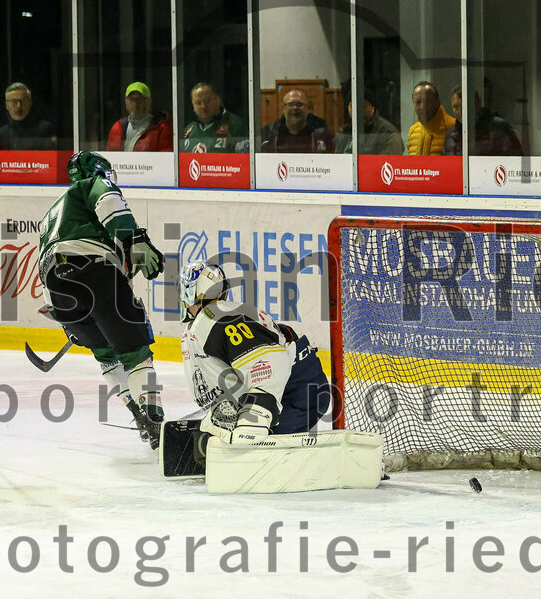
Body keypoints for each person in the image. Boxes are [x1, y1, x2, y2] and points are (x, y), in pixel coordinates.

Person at [37, 151, 165, 448]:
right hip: (93, 269)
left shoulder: (50, 215)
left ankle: (137, 413)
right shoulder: (90, 185)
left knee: (106, 353)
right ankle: (156, 423)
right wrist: (137, 239)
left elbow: (46, 264)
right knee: (135, 351)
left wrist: (66, 320)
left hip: (58, 289)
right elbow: (109, 203)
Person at [178, 261, 330, 445]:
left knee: (263, 457)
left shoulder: (214, 318)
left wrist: (258, 410)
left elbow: (269, 360)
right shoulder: (205, 324)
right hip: (292, 388)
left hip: (294, 390)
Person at [443, 85, 523, 156]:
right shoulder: (451, 134)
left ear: (477, 104)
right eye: (456, 107)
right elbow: (448, 167)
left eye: (465, 105)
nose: (460, 112)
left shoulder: (500, 127)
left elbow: (516, 163)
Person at [260, 88, 335, 153]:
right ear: (283, 108)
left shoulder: (323, 136)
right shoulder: (268, 135)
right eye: (291, 104)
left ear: (308, 108)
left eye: (299, 104)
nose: (295, 108)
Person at [181, 83, 248, 153]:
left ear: (218, 100)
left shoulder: (236, 125)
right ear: (193, 106)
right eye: (198, 103)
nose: (203, 106)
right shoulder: (189, 129)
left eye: (207, 101)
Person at [107, 82, 174, 152]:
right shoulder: (117, 128)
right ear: (126, 101)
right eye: (131, 99)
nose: (135, 104)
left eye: (139, 99)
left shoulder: (162, 128)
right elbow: (110, 157)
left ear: (149, 102)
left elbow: (166, 157)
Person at [0, 82, 56, 150]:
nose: (19, 106)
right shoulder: (1, 133)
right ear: (6, 105)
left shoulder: (44, 129)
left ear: (30, 103)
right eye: (14, 101)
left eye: (23, 101)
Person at [335, 95, 403, 155]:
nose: (357, 110)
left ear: (372, 107)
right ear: (348, 108)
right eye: (352, 106)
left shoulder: (388, 132)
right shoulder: (344, 131)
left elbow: (389, 165)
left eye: (363, 106)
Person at [406, 81, 455, 155]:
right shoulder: (413, 130)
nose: (422, 107)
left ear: (438, 102)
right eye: (418, 102)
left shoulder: (452, 127)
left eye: (427, 102)